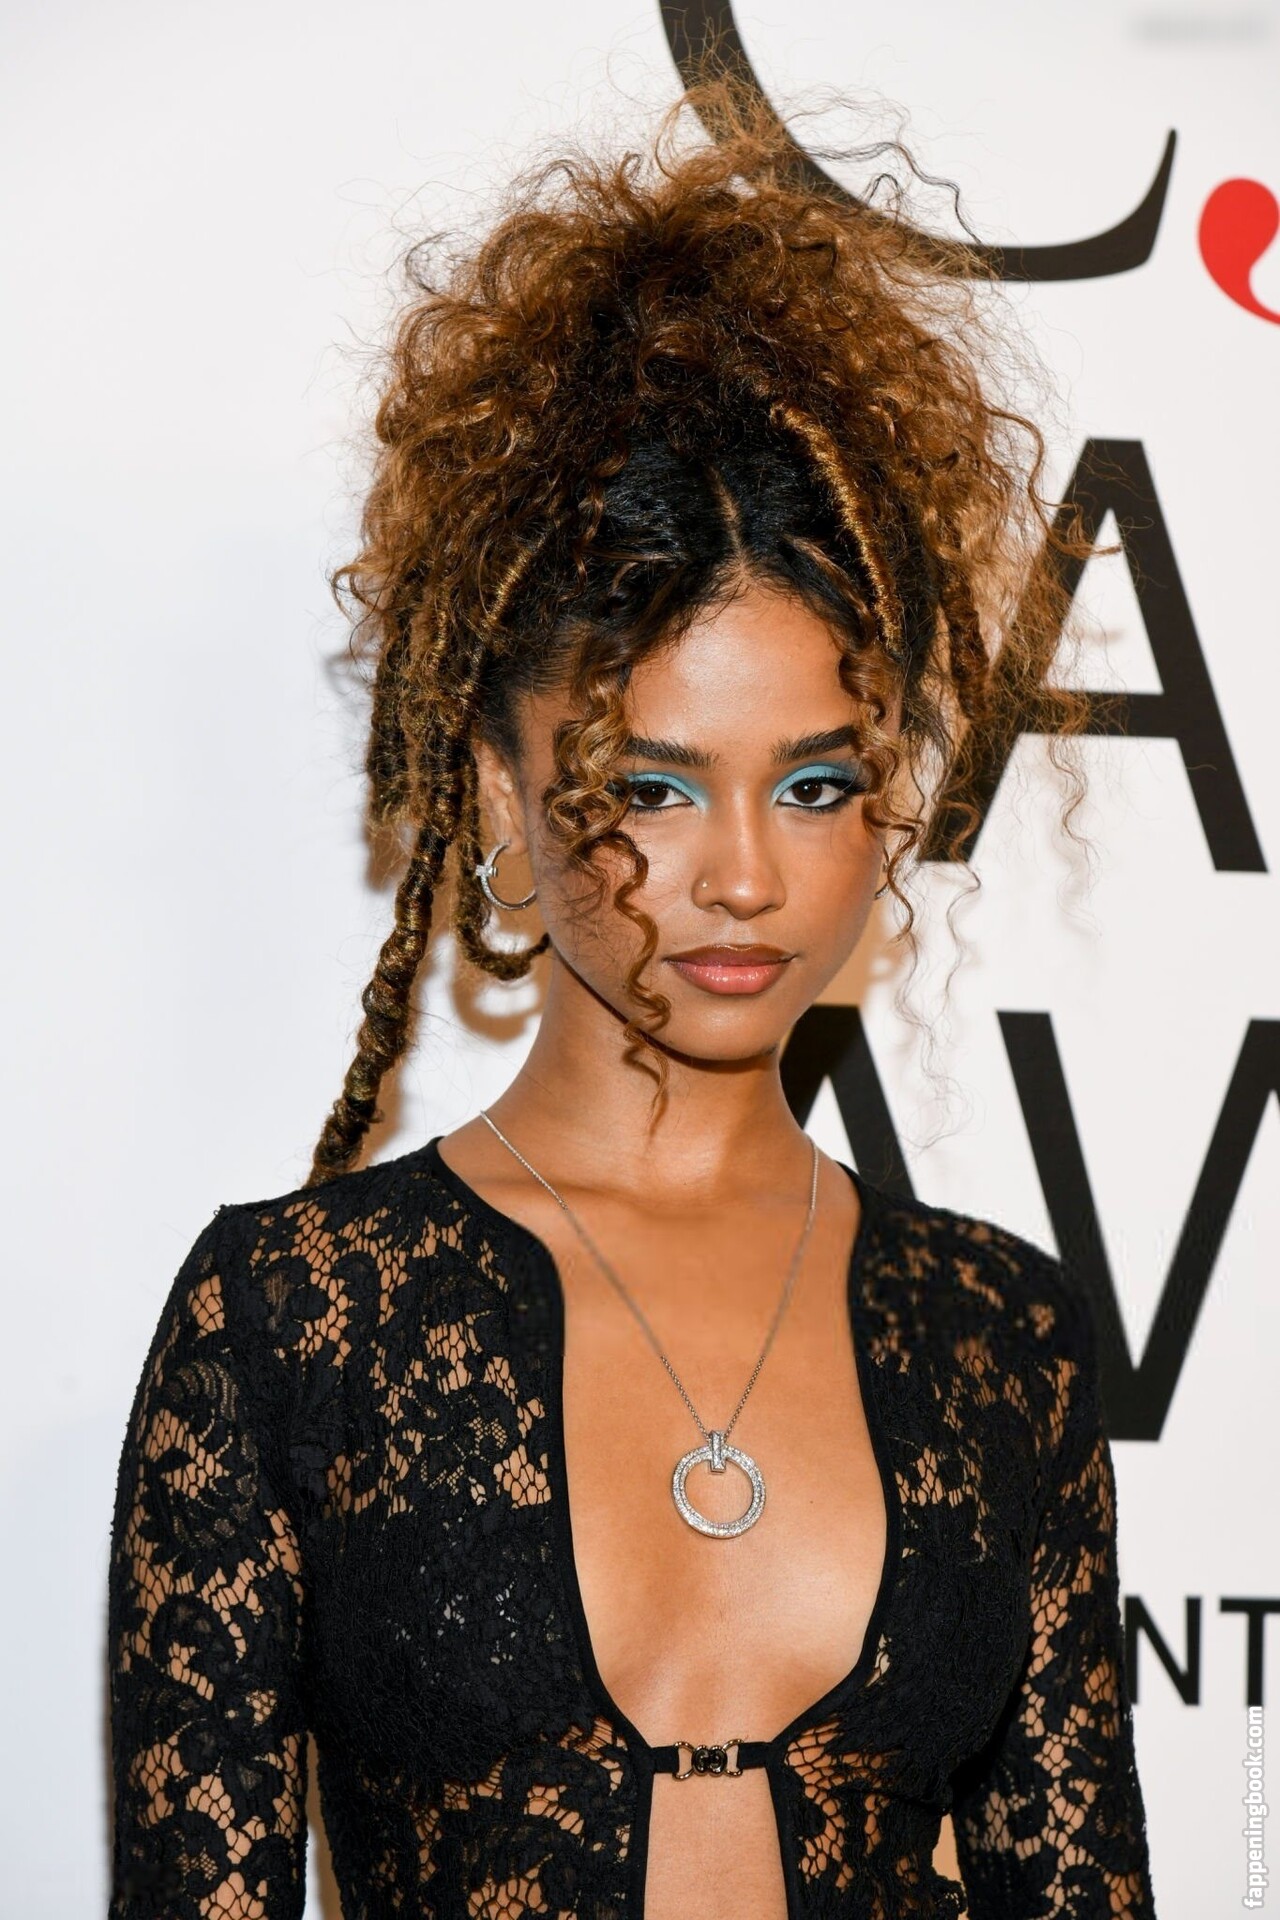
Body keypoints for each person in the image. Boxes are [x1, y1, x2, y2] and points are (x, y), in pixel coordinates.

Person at [106, 71, 1157, 1920]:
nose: (746, 872)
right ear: (503, 794)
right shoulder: (294, 1325)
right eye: (655, 787)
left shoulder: (1004, 1338)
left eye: (816, 784)